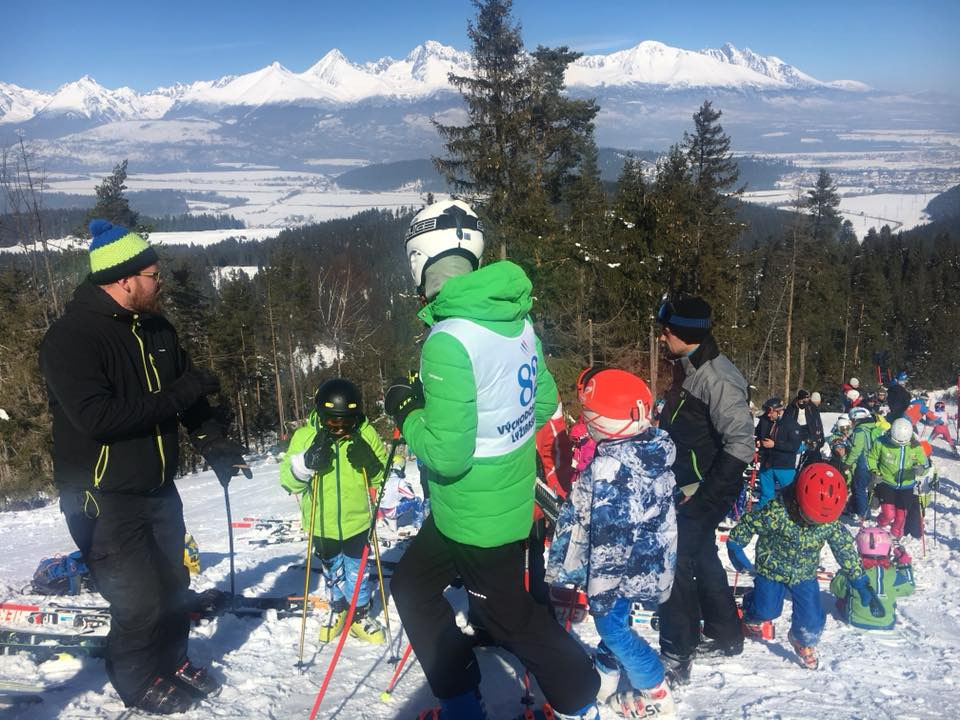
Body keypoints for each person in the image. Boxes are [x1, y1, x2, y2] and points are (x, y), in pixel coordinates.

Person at [384, 200, 600, 720]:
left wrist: (408, 411)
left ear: (419, 262)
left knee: (509, 620)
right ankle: (461, 700)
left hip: (478, 518)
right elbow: (542, 404)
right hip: (479, 506)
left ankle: (581, 699)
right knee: (412, 585)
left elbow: (446, 454)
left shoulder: (447, 339)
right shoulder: (514, 319)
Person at [38, 220, 250, 714]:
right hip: (100, 496)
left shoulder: (157, 329)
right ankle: (136, 682)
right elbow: (99, 418)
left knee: (174, 586)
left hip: (156, 488)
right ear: (124, 279)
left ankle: (172, 661)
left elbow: (188, 397)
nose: (161, 282)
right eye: (153, 274)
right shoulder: (71, 339)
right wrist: (183, 392)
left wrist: (215, 444)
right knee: (137, 601)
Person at [547, 369, 677, 717]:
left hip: (618, 572)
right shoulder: (648, 448)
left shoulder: (614, 468)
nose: (585, 422)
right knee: (618, 620)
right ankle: (607, 671)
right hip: (643, 561)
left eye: (589, 415)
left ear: (605, 422)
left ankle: (655, 689)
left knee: (611, 625)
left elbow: (611, 542)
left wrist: (600, 591)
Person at [654, 297, 756, 684]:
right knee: (701, 556)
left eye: (667, 331)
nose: (662, 337)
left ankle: (678, 652)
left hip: (703, 489)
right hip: (686, 485)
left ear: (686, 333)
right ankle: (726, 633)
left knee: (676, 561)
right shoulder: (689, 366)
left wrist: (705, 497)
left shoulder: (716, 377)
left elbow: (741, 444)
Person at [727, 463, 871, 670]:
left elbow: (844, 548)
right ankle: (751, 612)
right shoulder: (777, 512)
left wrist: (859, 580)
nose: (815, 524)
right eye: (811, 517)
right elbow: (750, 523)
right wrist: (735, 543)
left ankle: (802, 641)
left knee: (811, 619)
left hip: (804, 573)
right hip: (772, 568)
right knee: (766, 610)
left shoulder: (828, 522)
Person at [279, 378, 388, 643]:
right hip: (321, 522)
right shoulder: (304, 436)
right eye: (332, 422)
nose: (339, 428)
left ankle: (359, 613)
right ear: (320, 415)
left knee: (357, 570)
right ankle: (338, 608)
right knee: (333, 570)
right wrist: (305, 464)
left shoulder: (366, 434)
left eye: (347, 422)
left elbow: (382, 479)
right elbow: (288, 482)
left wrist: (373, 466)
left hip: (358, 521)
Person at [831, 526, 915, 630]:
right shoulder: (893, 574)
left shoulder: (853, 573)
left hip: (855, 620)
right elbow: (909, 587)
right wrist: (905, 564)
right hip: (886, 622)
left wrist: (842, 573)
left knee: (842, 598)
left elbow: (835, 588)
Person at [867, 417, 929, 539]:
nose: (900, 445)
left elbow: (925, 464)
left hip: (907, 486)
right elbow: (871, 458)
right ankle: (880, 525)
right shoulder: (881, 442)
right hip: (886, 483)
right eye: (896, 442)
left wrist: (921, 469)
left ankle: (895, 537)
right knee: (889, 514)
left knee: (901, 517)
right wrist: (874, 472)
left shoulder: (916, 446)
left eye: (903, 443)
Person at [755, 397, 802, 508]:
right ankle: (763, 515)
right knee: (766, 496)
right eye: (767, 412)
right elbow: (757, 434)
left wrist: (775, 444)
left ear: (779, 411)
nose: (768, 415)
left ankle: (792, 515)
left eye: (771, 412)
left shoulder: (791, 424)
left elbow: (794, 446)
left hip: (784, 466)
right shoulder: (765, 421)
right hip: (767, 464)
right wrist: (758, 442)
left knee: (790, 496)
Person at [842, 406, 882, 521]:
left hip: (863, 464)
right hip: (874, 464)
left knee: (859, 488)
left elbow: (856, 449)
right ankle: (855, 508)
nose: (851, 422)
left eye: (852, 420)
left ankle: (863, 513)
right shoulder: (874, 428)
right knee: (863, 488)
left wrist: (847, 463)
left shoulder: (860, 431)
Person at [784, 389, 824, 468]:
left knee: (812, 448)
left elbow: (817, 421)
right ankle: (794, 466)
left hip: (808, 429)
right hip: (795, 429)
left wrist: (820, 435)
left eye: (807, 398)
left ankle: (813, 465)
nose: (806, 401)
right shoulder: (792, 407)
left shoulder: (811, 407)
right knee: (794, 448)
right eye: (804, 399)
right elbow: (786, 420)